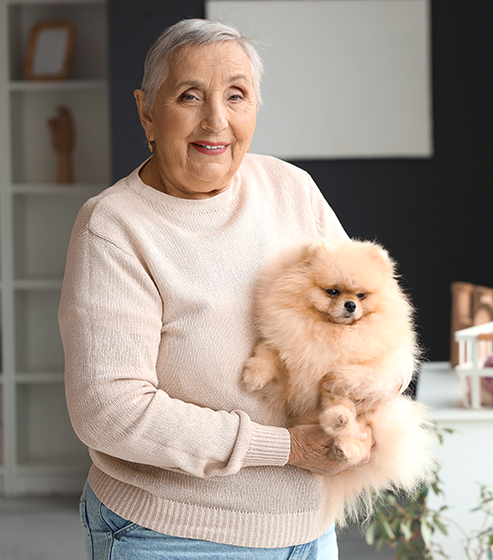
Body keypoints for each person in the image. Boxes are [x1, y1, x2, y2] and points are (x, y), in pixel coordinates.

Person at [59, 18, 409, 559]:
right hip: (174, 535)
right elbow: (109, 409)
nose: (216, 121)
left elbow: (382, 313)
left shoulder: (291, 187)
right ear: (146, 111)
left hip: (310, 530)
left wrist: (380, 380)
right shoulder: (113, 227)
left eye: (237, 95)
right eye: (189, 95)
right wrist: (286, 449)